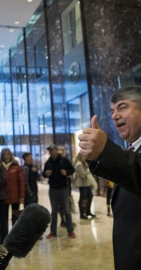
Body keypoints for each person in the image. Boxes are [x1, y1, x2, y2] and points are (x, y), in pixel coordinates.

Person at [78, 85, 141, 270]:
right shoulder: (132, 151)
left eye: (122, 107)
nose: (114, 116)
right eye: (112, 111)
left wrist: (106, 151)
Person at [42, 144, 76, 239]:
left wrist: (67, 173)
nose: (51, 152)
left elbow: (72, 170)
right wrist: (46, 173)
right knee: (53, 211)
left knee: (67, 211)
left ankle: (70, 231)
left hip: (63, 188)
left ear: (56, 150)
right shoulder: (48, 162)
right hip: (53, 189)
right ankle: (53, 232)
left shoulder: (64, 160)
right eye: (50, 150)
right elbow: (43, 174)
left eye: (52, 150)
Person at [0, 148, 25, 227]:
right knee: (4, 217)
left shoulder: (16, 166)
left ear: (10, 155)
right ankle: (5, 235)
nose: (6, 156)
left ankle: (14, 234)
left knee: (15, 217)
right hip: (4, 196)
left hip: (15, 195)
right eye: (4, 155)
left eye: (7, 154)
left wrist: (21, 196)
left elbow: (21, 182)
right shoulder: (0, 167)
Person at [73, 152, 95, 219]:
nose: (86, 158)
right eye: (84, 156)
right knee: (83, 198)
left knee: (90, 196)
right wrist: (88, 169)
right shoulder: (79, 164)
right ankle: (82, 214)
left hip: (87, 184)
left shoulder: (84, 164)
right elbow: (82, 175)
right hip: (82, 184)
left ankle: (88, 211)